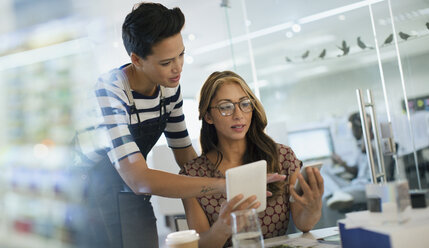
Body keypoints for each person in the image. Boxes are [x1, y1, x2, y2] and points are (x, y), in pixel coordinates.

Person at [84, 3, 285, 248]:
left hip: (130, 192)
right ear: (136, 59)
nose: (178, 67)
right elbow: (139, 179)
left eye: (181, 54)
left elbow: (186, 158)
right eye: (166, 61)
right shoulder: (110, 90)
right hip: (89, 196)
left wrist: (232, 179)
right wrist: (225, 184)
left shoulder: (168, 87)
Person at [179, 71, 324, 248]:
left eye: (244, 104)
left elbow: (304, 224)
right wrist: (222, 227)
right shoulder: (192, 174)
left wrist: (313, 208)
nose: (238, 114)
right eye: (226, 107)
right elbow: (200, 246)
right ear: (208, 116)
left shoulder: (282, 157)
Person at [326, 112, 372, 210]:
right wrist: (341, 163)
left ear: (361, 127)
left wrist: (367, 127)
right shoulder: (359, 146)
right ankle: (338, 193)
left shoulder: (372, 143)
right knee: (322, 171)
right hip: (356, 183)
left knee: (327, 197)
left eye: (352, 128)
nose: (351, 131)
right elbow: (355, 170)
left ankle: (338, 194)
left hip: (368, 188)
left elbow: (367, 149)